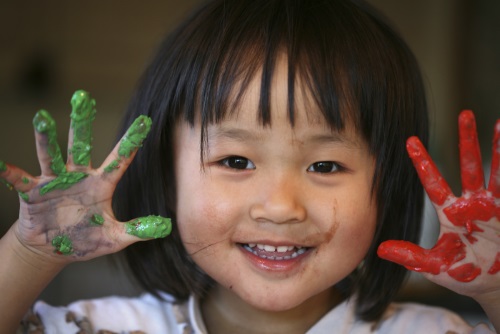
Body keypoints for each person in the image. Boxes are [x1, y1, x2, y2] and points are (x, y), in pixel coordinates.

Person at [0, 0, 498, 333]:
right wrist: (30, 254)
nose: (280, 206)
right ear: (165, 174)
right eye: (236, 160)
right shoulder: (105, 327)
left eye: (325, 165)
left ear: (387, 185)